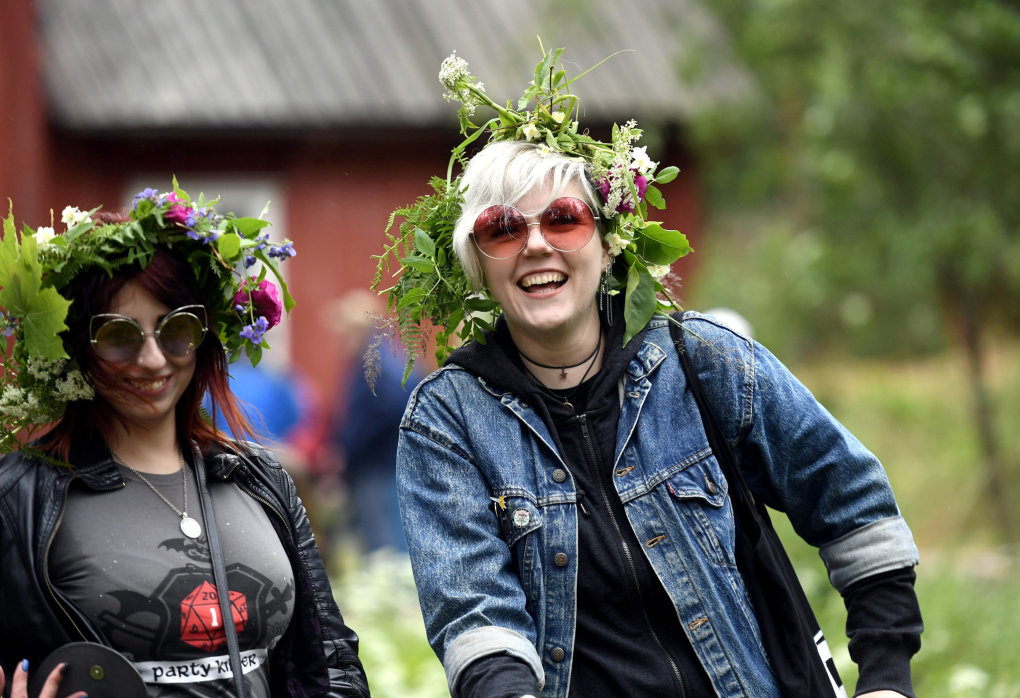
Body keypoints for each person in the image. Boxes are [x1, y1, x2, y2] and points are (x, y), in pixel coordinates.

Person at [375, 49, 922, 697]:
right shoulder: (449, 420)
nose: (537, 244)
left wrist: (886, 677)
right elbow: (475, 617)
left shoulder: (702, 363)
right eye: (501, 229)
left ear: (608, 245)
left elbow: (852, 501)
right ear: (479, 265)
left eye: (563, 218)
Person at [0, 186, 370, 697]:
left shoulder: (260, 481)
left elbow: (330, 662)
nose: (152, 360)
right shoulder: (18, 498)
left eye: (175, 329)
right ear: (75, 347)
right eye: (118, 335)